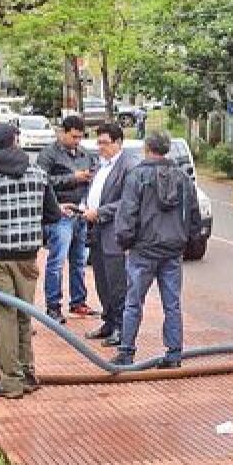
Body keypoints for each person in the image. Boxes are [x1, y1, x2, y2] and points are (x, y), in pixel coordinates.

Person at [0, 123, 64, 398]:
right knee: (24, 314)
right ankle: (28, 374)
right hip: (28, 257)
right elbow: (53, 215)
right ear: (14, 142)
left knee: (4, 318)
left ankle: (10, 382)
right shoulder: (37, 174)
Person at [111, 132, 201, 367]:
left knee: (133, 303)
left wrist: (125, 242)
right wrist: (188, 241)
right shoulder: (183, 177)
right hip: (173, 250)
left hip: (143, 250)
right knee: (172, 304)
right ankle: (174, 354)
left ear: (147, 148)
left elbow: (127, 213)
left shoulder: (137, 176)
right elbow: (194, 214)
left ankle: (126, 352)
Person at [36, 115, 99, 323]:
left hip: (80, 213)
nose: (76, 141)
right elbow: (41, 182)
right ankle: (53, 306)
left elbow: (94, 178)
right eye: (73, 137)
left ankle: (78, 301)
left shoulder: (85, 154)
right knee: (57, 261)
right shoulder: (48, 155)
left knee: (79, 261)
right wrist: (73, 178)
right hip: (60, 215)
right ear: (62, 132)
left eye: (80, 137)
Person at [80, 123, 138, 347]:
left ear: (118, 143)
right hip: (96, 231)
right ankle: (109, 321)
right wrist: (84, 205)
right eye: (99, 142)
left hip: (114, 232)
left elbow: (128, 201)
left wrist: (100, 212)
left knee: (117, 283)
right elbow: (95, 191)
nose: (100, 147)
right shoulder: (101, 165)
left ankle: (122, 329)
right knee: (102, 281)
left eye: (104, 143)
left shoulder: (129, 166)